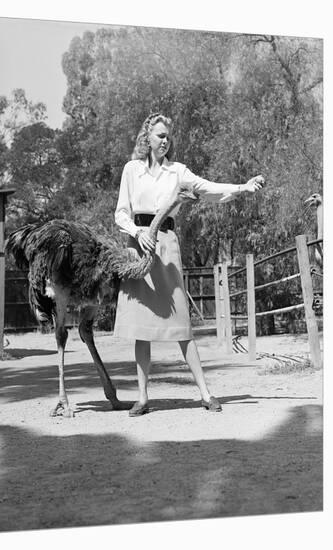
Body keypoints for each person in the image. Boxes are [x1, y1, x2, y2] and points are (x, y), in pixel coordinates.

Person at [113, 113, 264, 416]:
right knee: (142, 329)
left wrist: (242, 187)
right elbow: (121, 214)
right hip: (138, 248)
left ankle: (205, 394)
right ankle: (142, 397)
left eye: (167, 135)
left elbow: (208, 188)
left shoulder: (177, 172)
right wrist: (137, 233)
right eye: (159, 135)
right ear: (147, 139)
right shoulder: (131, 170)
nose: (165, 140)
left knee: (182, 325)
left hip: (167, 248)